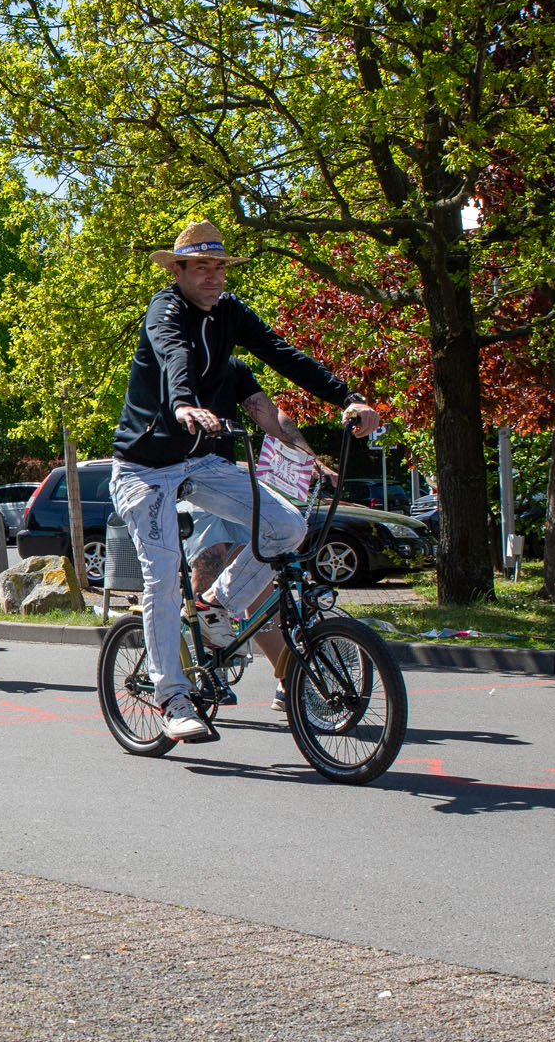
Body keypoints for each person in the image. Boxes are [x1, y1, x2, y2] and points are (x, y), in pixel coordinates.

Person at [110, 221, 378, 742]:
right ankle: (173, 696)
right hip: (144, 468)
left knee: (288, 528)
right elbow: (173, 356)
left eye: (220, 268)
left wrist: (347, 397)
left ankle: (216, 606)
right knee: (163, 577)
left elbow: (283, 356)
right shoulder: (165, 311)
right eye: (201, 268)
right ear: (179, 271)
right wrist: (185, 403)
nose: (213, 278)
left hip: (202, 463)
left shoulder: (231, 315)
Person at [179, 363, 336, 712]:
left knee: (259, 576)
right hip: (185, 478)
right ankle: (207, 669)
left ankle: (288, 683)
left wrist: (311, 461)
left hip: (225, 476)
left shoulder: (232, 367)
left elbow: (269, 413)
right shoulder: (174, 354)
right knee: (212, 553)